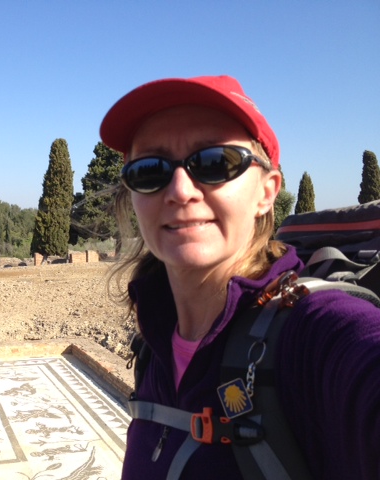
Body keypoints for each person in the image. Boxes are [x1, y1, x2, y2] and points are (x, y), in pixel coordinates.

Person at [99, 75, 380, 479]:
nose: (180, 191)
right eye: (150, 170)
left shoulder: (315, 335)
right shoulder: (154, 341)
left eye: (215, 162)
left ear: (267, 192)